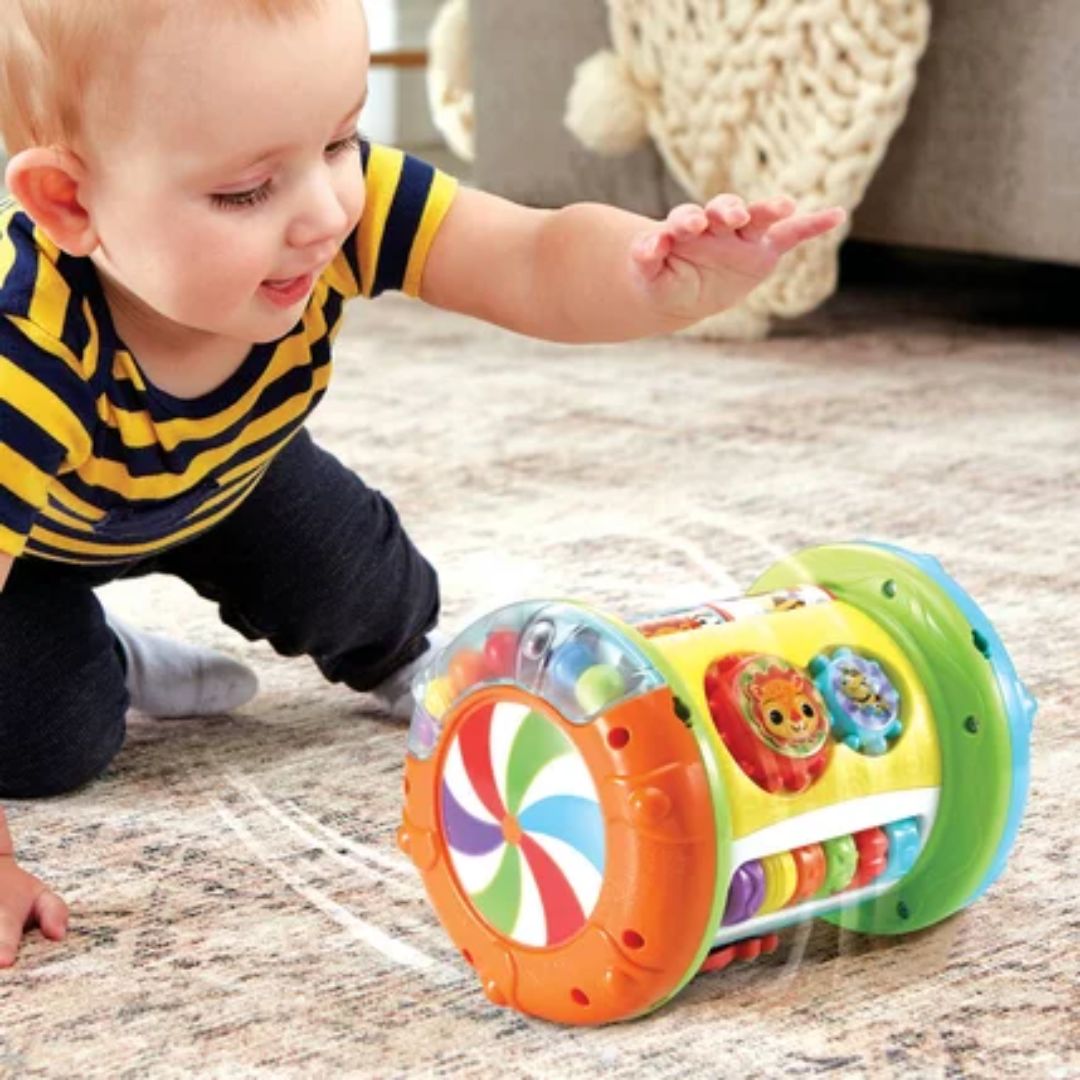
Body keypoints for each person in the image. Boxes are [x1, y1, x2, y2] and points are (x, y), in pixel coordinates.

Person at [0, 0, 845, 967]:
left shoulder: (333, 205)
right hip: (29, 544)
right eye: (244, 193)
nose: (323, 212)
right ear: (71, 205)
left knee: (367, 584)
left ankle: (407, 655)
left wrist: (654, 275)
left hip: (227, 472)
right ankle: (103, 654)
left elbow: (525, 256)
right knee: (47, 737)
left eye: (341, 139)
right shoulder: (23, 352)